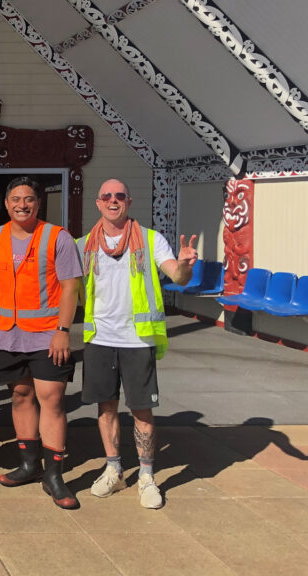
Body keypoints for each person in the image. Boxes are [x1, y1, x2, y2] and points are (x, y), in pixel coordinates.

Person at [78, 179, 197, 509]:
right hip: (99, 338)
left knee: (142, 409)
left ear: (128, 201)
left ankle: (146, 476)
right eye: (106, 196)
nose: (113, 200)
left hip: (137, 339)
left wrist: (185, 265)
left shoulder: (150, 239)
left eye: (119, 195)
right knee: (106, 407)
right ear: (98, 203)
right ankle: (114, 469)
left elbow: (177, 275)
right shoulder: (82, 245)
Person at [0, 176, 82, 509]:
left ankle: (54, 476)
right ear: (6, 203)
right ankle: (28, 465)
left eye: (28, 199)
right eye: (15, 199)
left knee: (51, 398)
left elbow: (70, 287)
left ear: (38, 204)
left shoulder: (58, 237)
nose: (21, 205)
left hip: (47, 334)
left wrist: (64, 330)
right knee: (21, 395)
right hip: (6, 333)